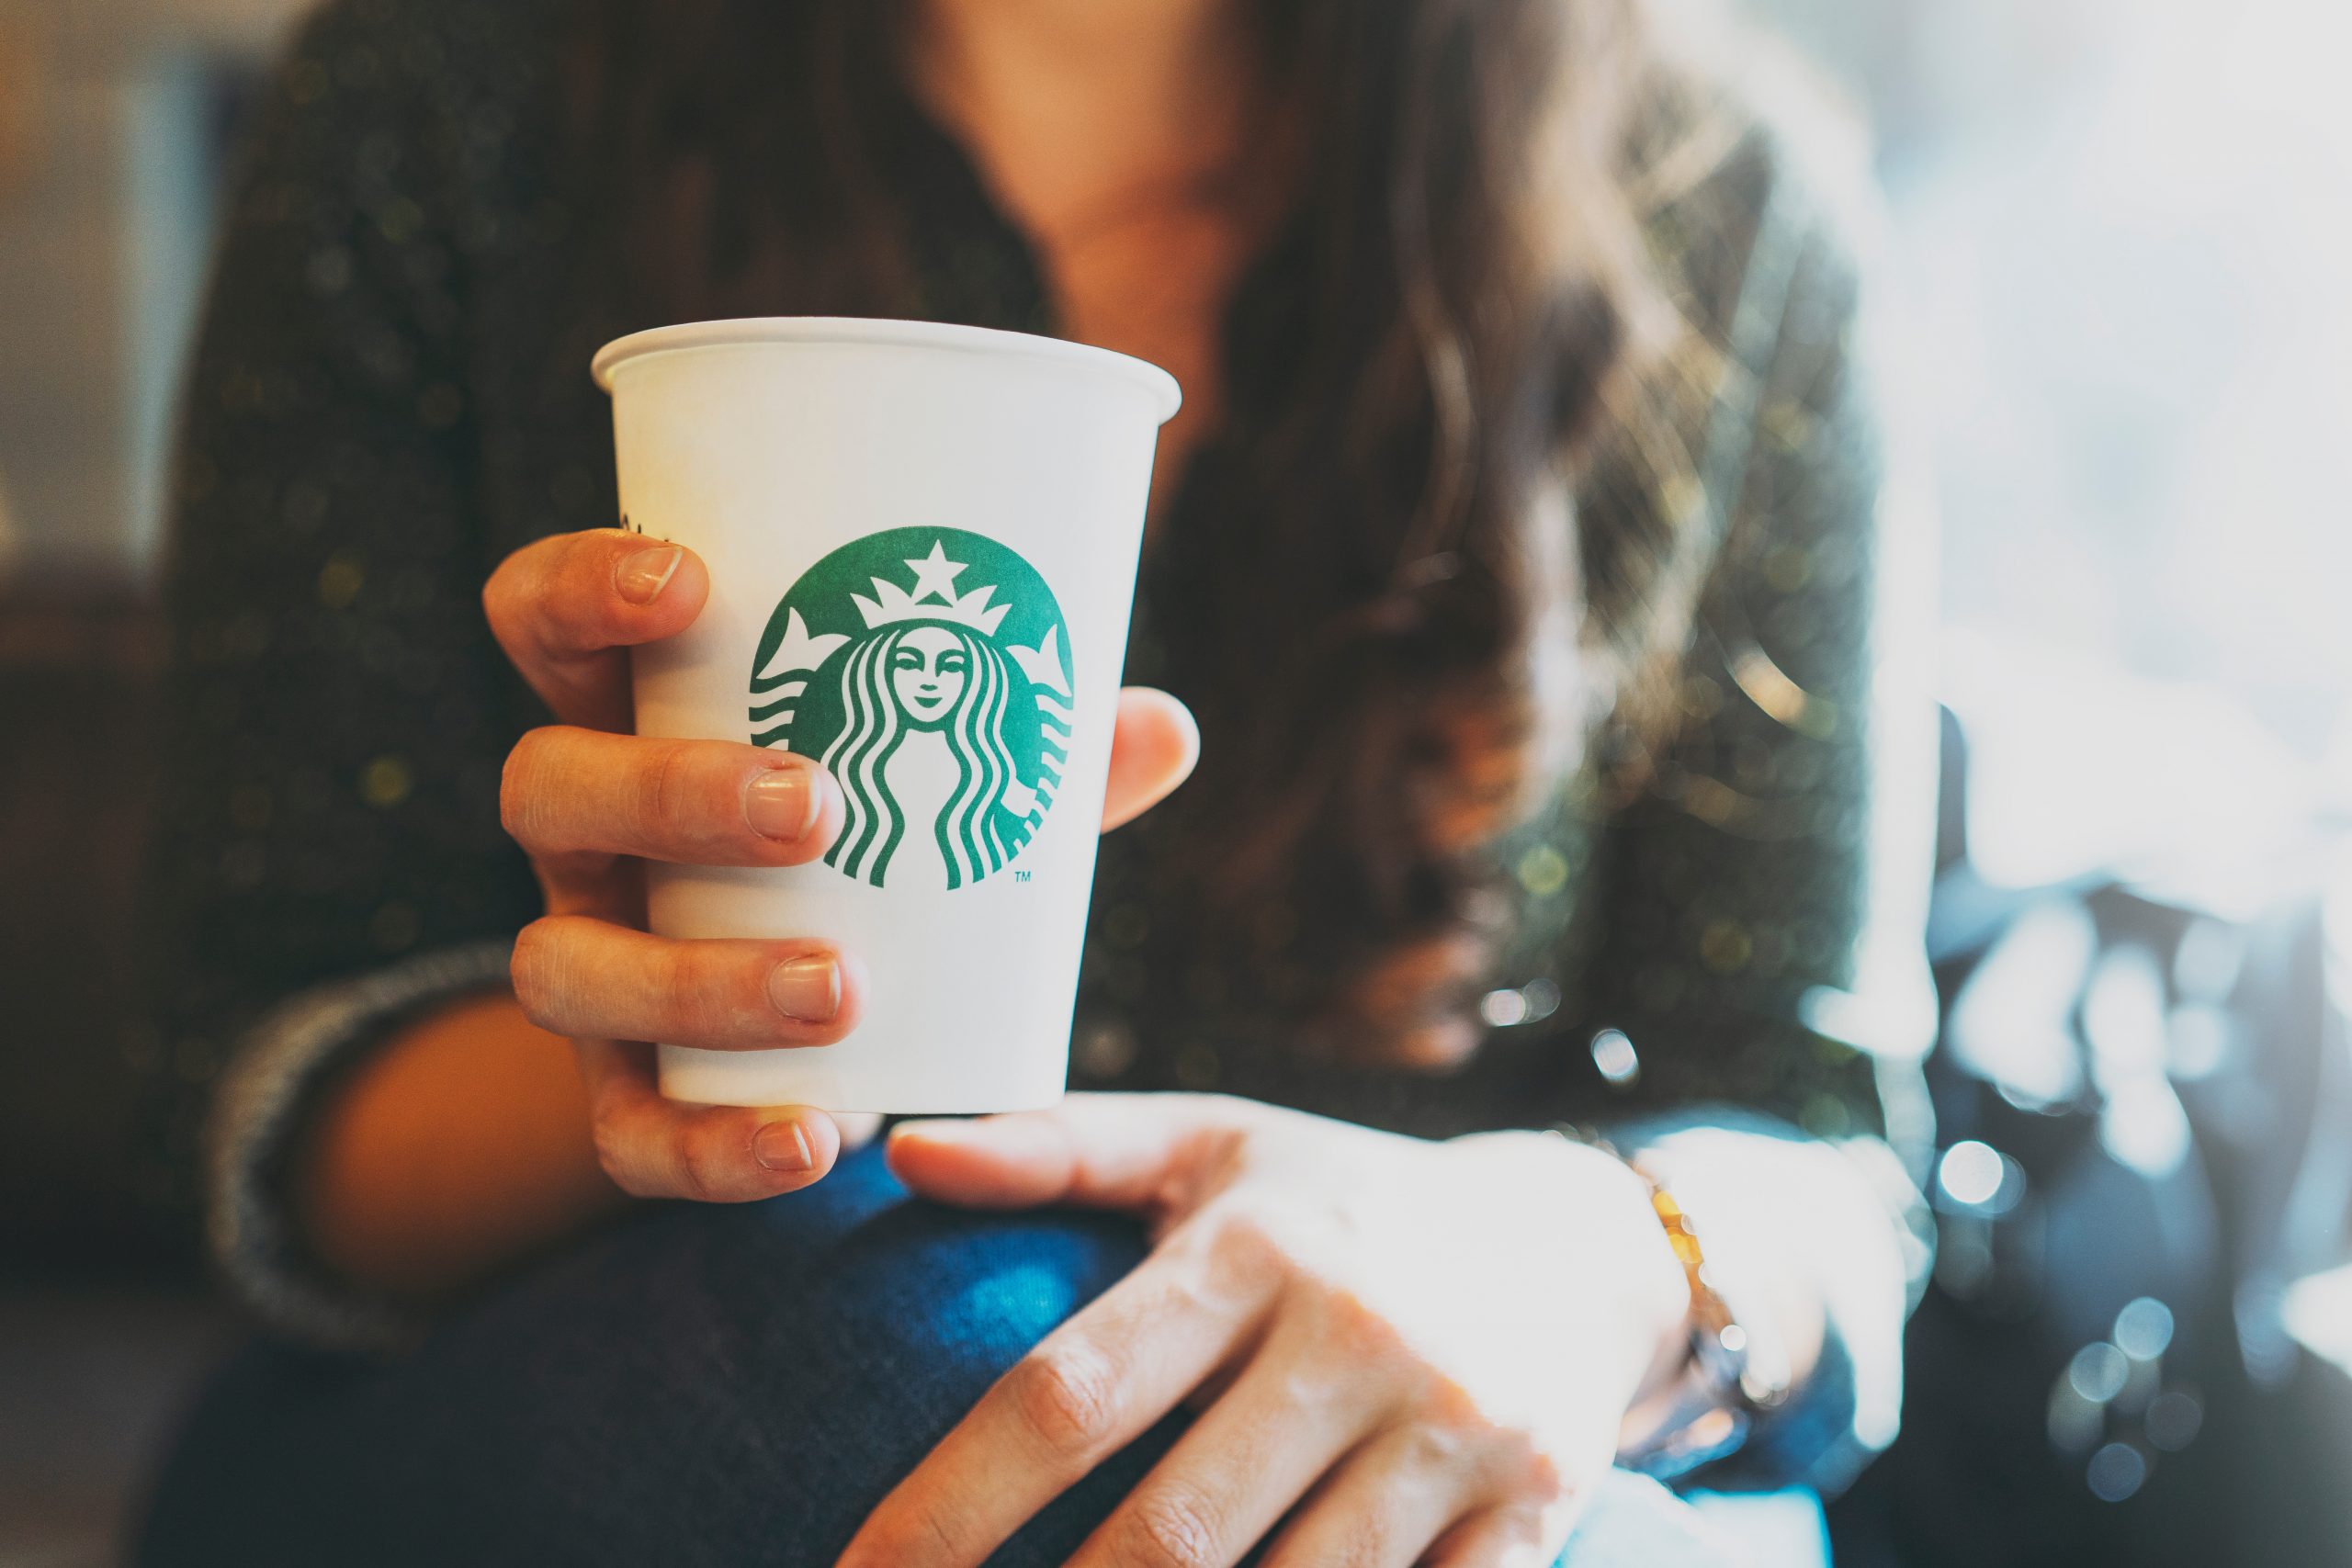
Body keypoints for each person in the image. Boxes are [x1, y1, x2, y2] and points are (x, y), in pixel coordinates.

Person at [133, 0, 1935, 1562]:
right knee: (913, 1361)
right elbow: (259, 1103)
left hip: (1504, 1363)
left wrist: (1573, 1263)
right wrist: (672, 1019)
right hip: (633, 1353)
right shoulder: (453, 102)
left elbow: (1808, 1142)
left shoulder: (1713, 200)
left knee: (1539, 1502)